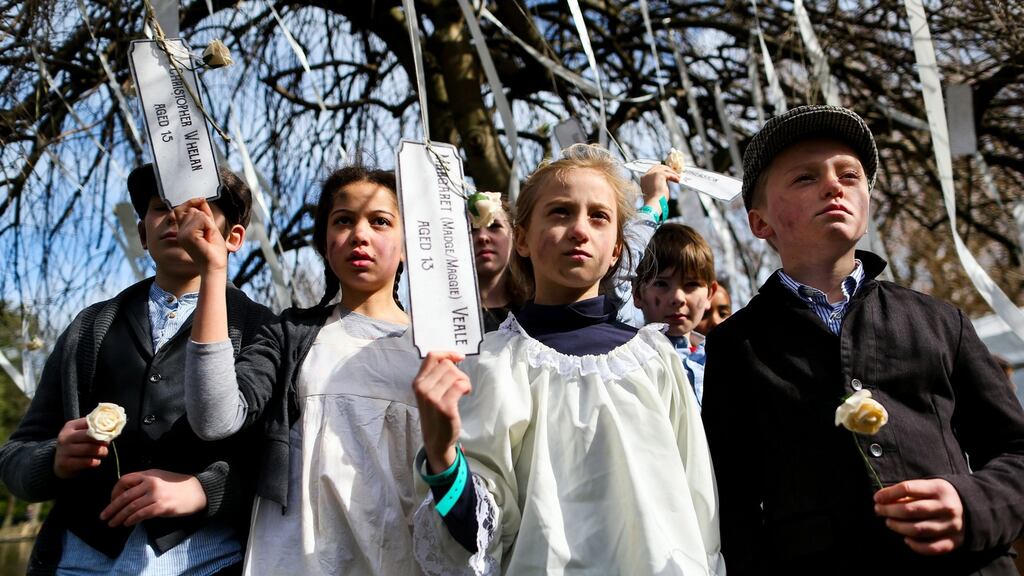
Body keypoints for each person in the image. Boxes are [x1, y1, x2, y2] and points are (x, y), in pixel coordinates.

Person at [701, 105, 1024, 575]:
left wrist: (970, 503)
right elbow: (732, 503)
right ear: (760, 223)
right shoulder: (735, 346)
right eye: (804, 178)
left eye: (849, 175)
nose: (834, 185)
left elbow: (1016, 450)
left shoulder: (939, 320)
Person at [411, 144, 724, 575]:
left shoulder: (654, 359)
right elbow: (480, 537)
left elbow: (700, 503)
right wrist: (443, 457)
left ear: (617, 248)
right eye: (560, 212)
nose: (580, 229)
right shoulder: (495, 364)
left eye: (599, 216)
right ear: (521, 237)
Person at [0, 164, 273, 575]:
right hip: (78, 558)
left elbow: (276, 461)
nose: (177, 218)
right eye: (161, 208)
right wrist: (53, 459)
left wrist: (204, 489)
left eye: (197, 207)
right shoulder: (90, 327)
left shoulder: (261, 330)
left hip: (205, 558)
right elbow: (14, 458)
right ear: (143, 234)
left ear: (233, 237)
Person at [180, 165, 424, 575]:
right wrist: (212, 272)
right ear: (325, 244)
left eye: (380, 221)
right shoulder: (290, 335)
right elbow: (214, 418)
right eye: (343, 220)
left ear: (408, 243)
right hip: (294, 560)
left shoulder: (443, 351)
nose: (360, 235)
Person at [632, 223, 718, 405]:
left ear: (710, 293)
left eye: (691, 284)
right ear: (637, 293)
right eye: (662, 284)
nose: (678, 298)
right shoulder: (629, 364)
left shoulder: (725, 360)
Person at [471, 195, 524, 332]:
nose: (483, 237)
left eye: (494, 226)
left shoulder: (536, 313)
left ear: (515, 237)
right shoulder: (440, 319)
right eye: (472, 229)